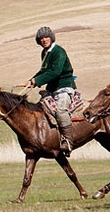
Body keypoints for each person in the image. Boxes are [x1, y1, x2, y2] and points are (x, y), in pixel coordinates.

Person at [24, 26, 76, 155]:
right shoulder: (45, 53)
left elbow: (55, 72)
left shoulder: (59, 52)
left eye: (46, 37)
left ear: (51, 38)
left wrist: (36, 81)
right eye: (41, 38)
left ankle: (68, 141)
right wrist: (31, 81)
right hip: (52, 89)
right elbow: (44, 71)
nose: (44, 40)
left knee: (60, 111)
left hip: (64, 87)